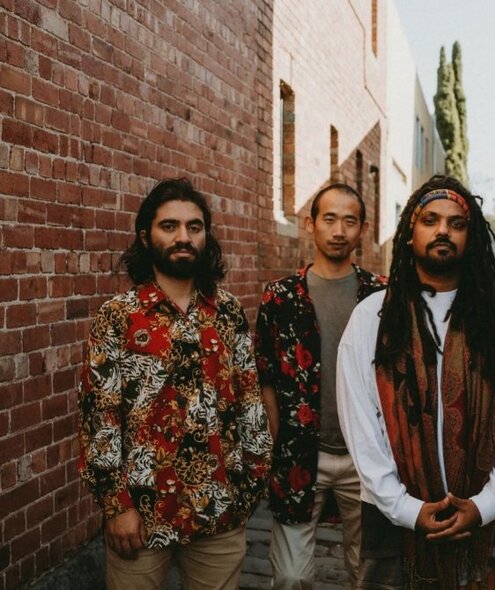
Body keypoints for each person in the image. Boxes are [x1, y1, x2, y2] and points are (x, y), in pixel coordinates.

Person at [336, 175, 495, 589]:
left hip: (489, 524)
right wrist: (406, 509)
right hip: (392, 526)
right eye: (430, 220)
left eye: (457, 223)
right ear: (410, 233)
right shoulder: (373, 316)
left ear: (473, 237)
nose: (443, 230)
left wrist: (485, 505)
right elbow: (360, 423)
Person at [78, 177, 272, 590]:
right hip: (141, 514)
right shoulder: (118, 317)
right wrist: (116, 507)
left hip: (220, 511)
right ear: (146, 236)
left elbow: (250, 401)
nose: (183, 237)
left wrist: (252, 483)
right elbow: (100, 418)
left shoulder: (229, 312)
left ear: (206, 236)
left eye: (194, 227)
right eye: (170, 226)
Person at [255, 183, 385, 589]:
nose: (339, 230)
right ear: (311, 224)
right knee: (291, 577)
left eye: (350, 221)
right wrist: (277, 445)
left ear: (362, 228)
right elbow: (267, 378)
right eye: (329, 219)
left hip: (367, 456)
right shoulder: (281, 297)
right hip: (299, 454)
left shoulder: (381, 295)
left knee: (368, 572)